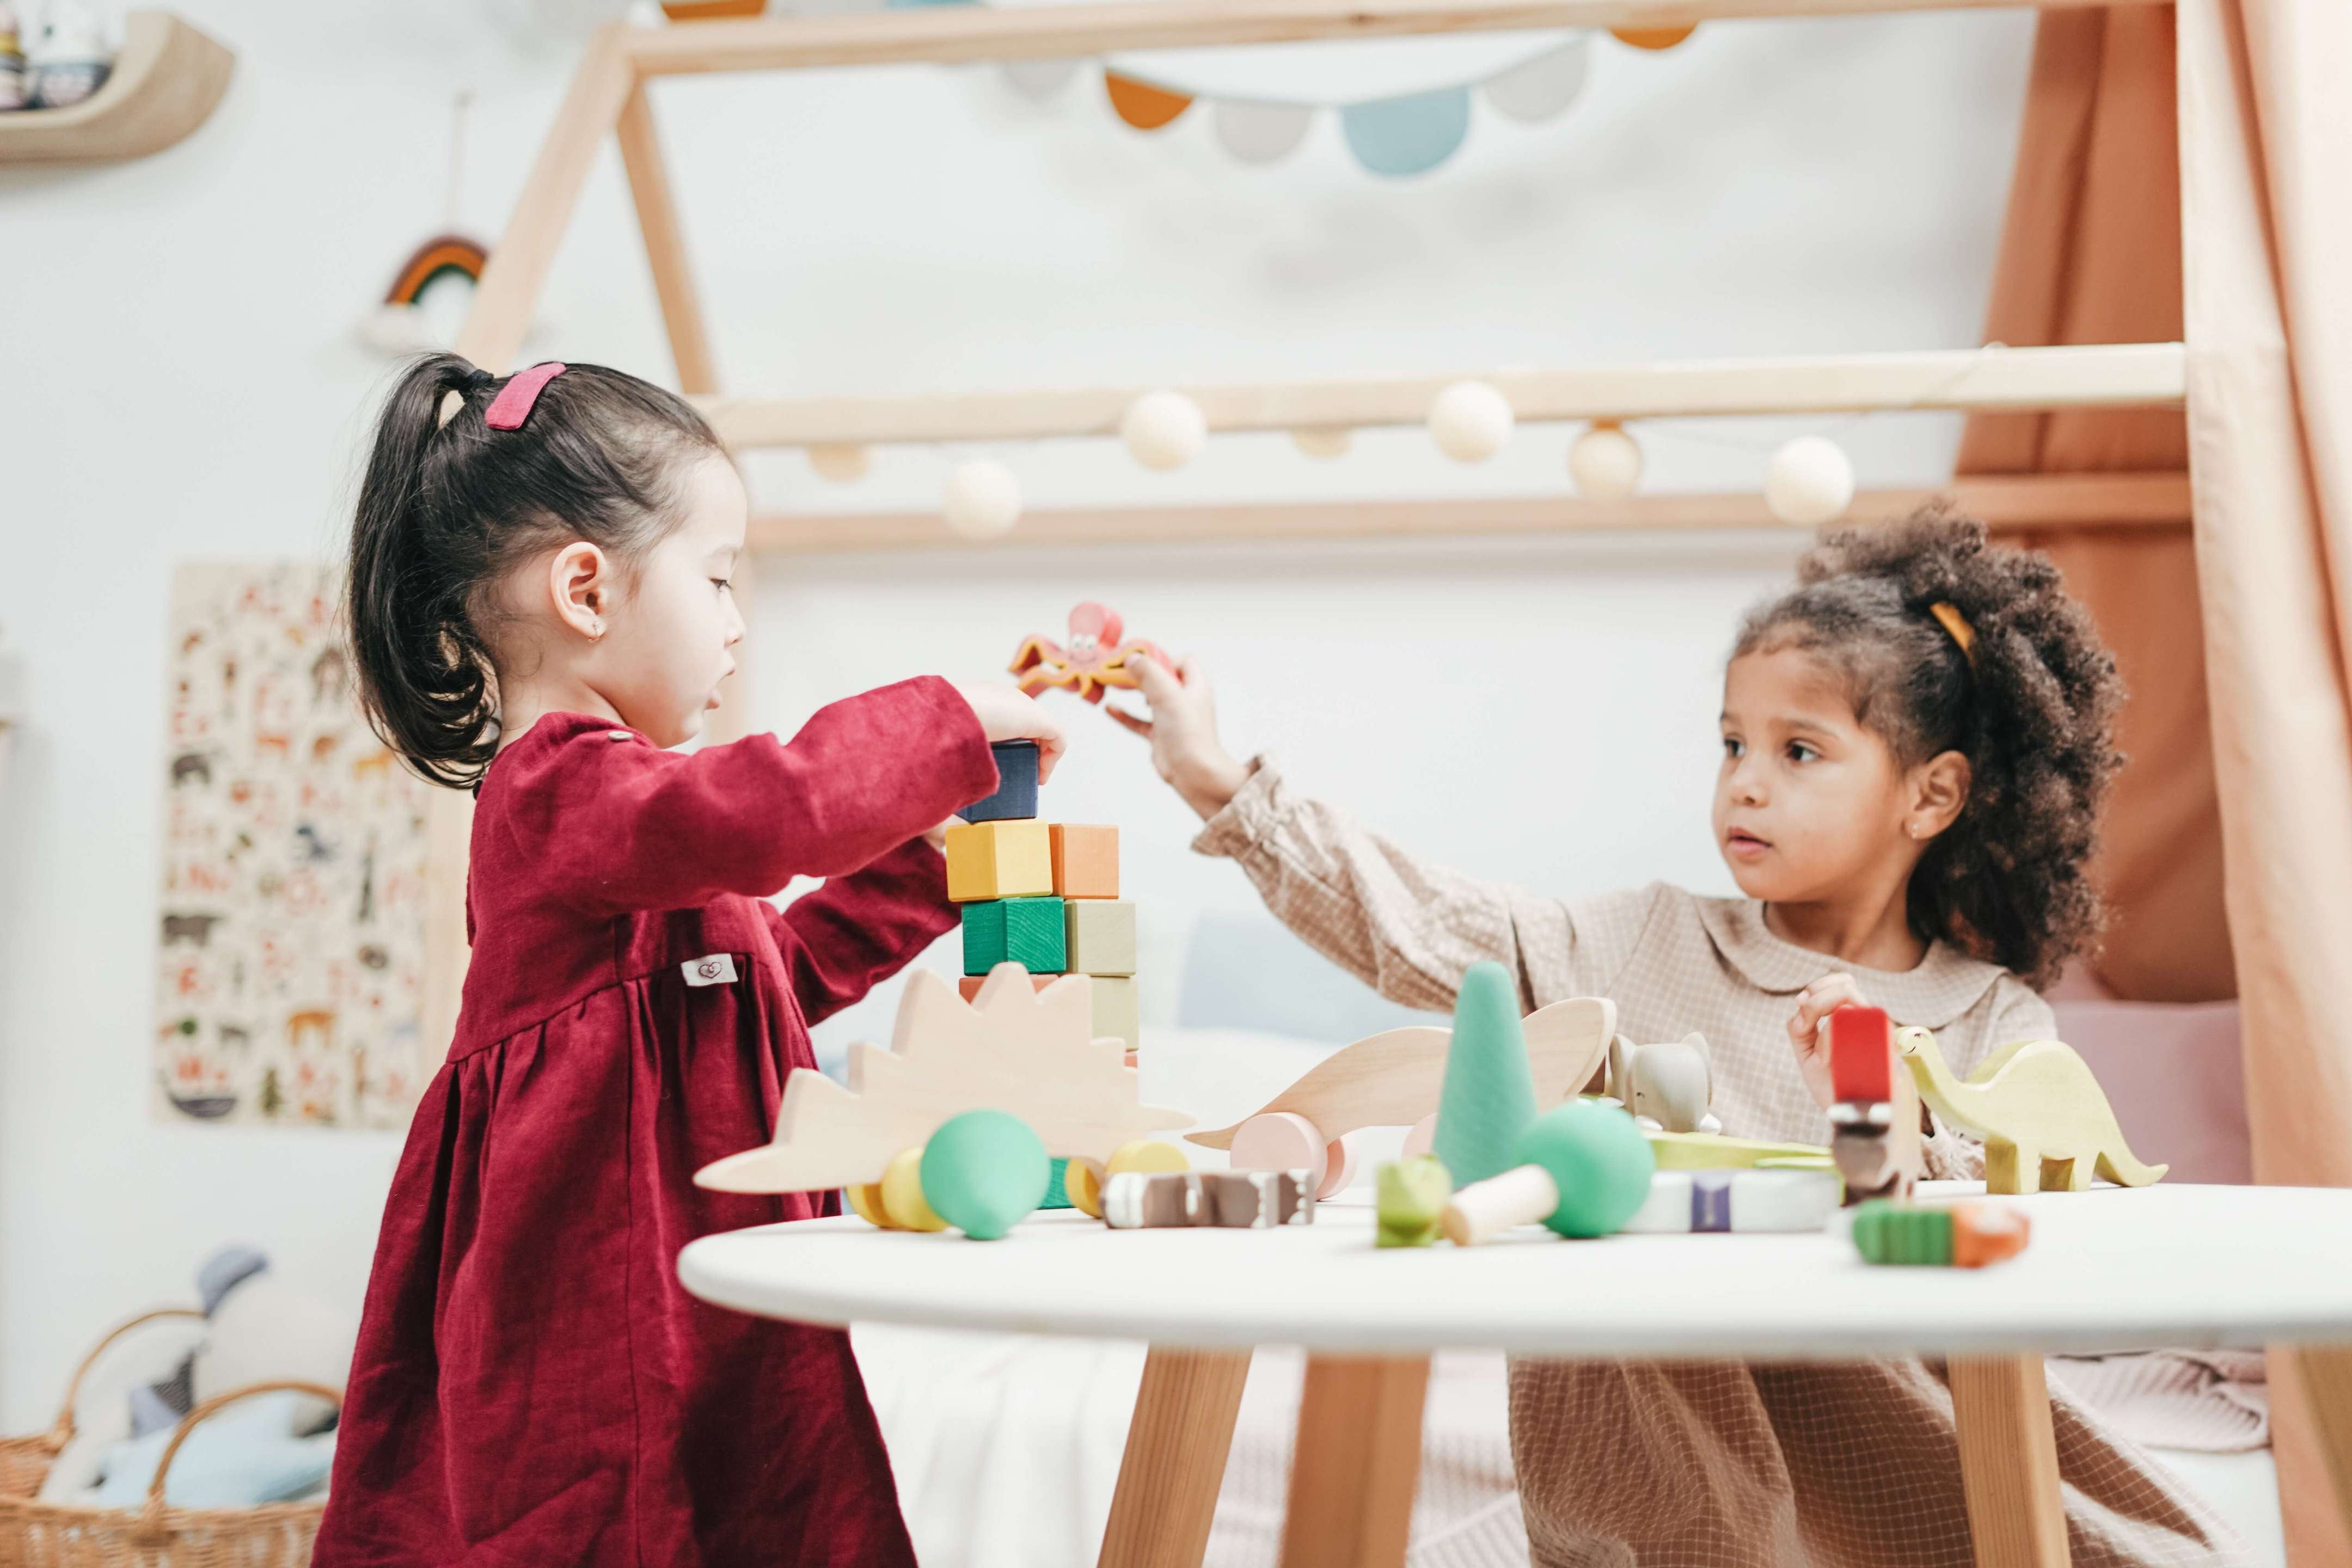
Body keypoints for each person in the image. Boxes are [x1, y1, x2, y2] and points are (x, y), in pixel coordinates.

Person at [1113, 508, 2241, 1566]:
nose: (1744, 785)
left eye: (1798, 753)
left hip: (1898, 1444)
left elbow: (2016, 1228)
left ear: (1931, 796)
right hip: (1670, 1474)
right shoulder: (1641, 942)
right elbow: (1415, 921)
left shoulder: (1990, 1018)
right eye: (1731, 744)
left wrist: (1880, 1112)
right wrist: (1215, 777)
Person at [314, 354, 1061, 1566]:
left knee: (756, 1506)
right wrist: (944, 726)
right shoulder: (560, 793)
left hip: (708, 1292)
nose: (736, 620)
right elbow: (764, 818)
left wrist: (934, 859)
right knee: (616, 1522)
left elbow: (775, 973)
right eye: (716, 579)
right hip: (596, 1311)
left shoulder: (644, 836)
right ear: (587, 591)